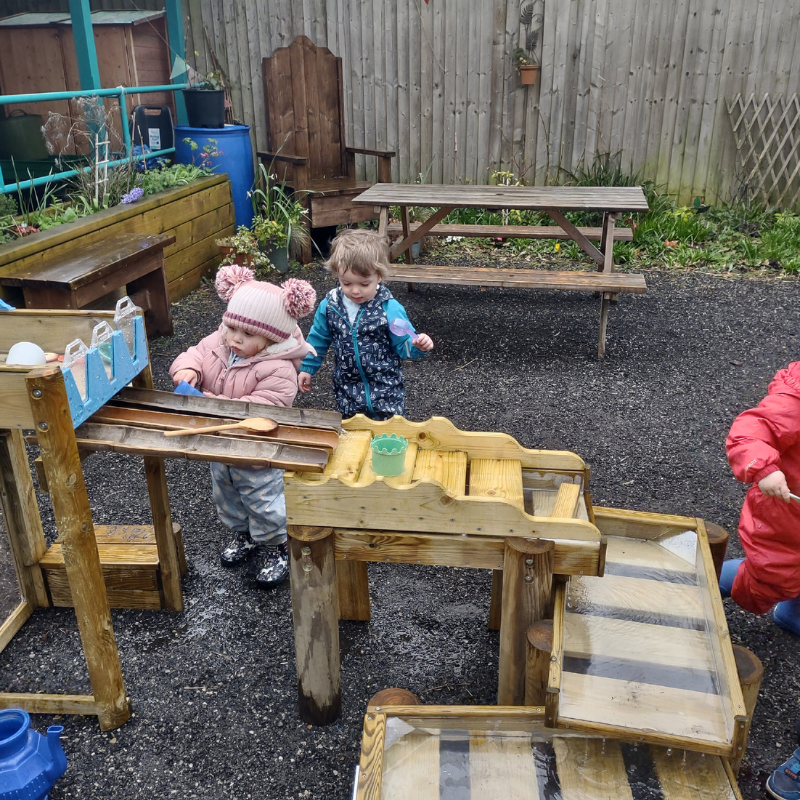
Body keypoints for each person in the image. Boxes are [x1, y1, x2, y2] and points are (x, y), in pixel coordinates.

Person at [169, 265, 316, 589]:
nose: (235, 337)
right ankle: (243, 534)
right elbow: (194, 353)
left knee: (263, 500)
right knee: (226, 494)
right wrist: (188, 370)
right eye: (231, 327)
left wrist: (210, 402)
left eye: (248, 334)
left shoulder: (279, 370)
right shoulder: (220, 342)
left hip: (257, 451)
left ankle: (275, 545)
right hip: (220, 445)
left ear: (271, 338)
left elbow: (258, 411)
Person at [297, 228, 433, 420]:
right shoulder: (330, 306)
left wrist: (417, 345)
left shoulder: (389, 308)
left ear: (379, 276)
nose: (355, 291)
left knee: (390, 433)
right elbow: (317, 340)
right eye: (346, 283)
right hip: (347, 392)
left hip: (386, 391)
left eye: (364, 284)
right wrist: (307, 367)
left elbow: (404, 343)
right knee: (353, 432)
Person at [719, 361, 800, 634]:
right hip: (788, 513)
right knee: (771, 573)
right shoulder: (795, 399)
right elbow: (751, 431)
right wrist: (764, 468)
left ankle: (792, 615)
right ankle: (702, 583)